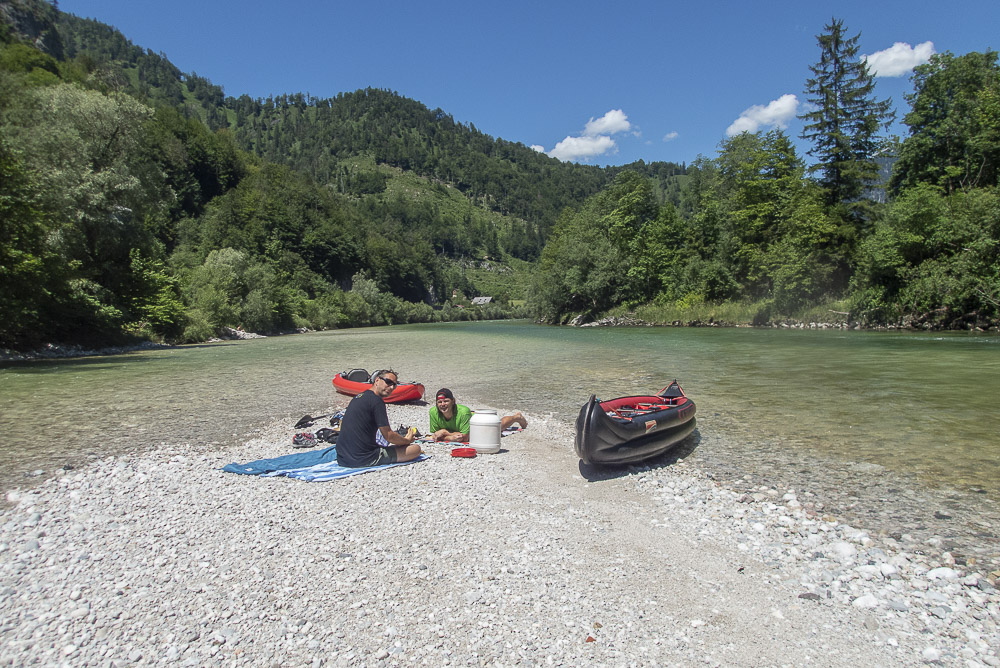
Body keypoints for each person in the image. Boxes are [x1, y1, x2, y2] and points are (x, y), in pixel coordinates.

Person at [336, 369, 422, 467]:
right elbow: (388, 436)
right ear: (377, 380)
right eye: (388, 382)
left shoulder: (359, 397)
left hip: (343, 458)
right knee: (415, 449)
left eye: (394, 385)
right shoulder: (376, 401)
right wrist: (407, 440)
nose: (391, 387)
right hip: (362, 459)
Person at [428, 388, 527, 442]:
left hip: (475, 424)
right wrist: (450, 437)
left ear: (453, 401)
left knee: (498, 426)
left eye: (446, 401)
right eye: (439, 402)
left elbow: (465, 438)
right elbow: (436, 435)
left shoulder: (463, 412)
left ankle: (516, 417)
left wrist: (445, 433)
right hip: (460, 429)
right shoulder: (433, 412)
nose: (443, 404)